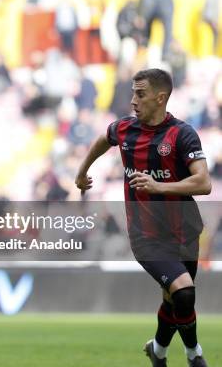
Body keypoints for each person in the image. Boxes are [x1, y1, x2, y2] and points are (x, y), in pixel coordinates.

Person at [75, 68, 211, 367]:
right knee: (184, 292)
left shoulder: (182, 134)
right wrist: (83, 171)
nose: (133, 100)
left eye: (140, 94)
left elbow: (204, 183)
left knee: (173, 298)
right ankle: (194, 355)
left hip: (184, 230)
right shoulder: (124, 129)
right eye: (133, 93)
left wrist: (158, 185)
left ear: (160, 98)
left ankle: (158, 350)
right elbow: (103, 139)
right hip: (145, 235)